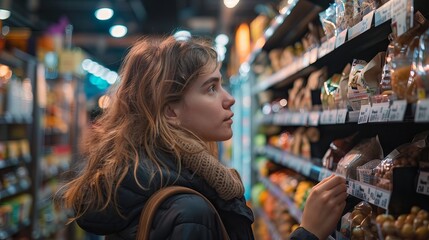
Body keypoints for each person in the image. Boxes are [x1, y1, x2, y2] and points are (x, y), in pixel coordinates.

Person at [55, 35, 347, 240]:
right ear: (171, 111)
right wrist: (308, 233)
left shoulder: (142, 177)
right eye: (211, 88)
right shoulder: (189, 211)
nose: (229, 99)